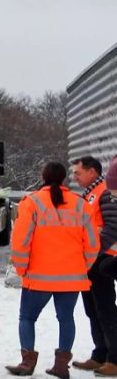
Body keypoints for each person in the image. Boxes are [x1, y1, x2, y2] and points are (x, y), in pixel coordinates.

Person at [6, 161, 99, 378]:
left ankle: (27, 363)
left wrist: (21, 268)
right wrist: (82, 266)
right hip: (71, 277)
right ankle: (61, 367)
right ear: (64, 178)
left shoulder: (32, 202)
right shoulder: (81, 204)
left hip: (38, 277)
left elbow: (20, 241)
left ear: (43, 176)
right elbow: (93, 243)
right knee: (66, 319)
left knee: (27, 318)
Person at [74, 155, 117, 376]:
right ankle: (100, 354)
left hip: (103, 260)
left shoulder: (105, 192)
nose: (74, 177)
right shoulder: (90, 193)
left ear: (92, 172)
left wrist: (94, 253)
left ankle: (114, 359)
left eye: (78, 173)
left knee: (106, 310)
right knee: (93, 310)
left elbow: (113, 226)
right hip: (90, 261)